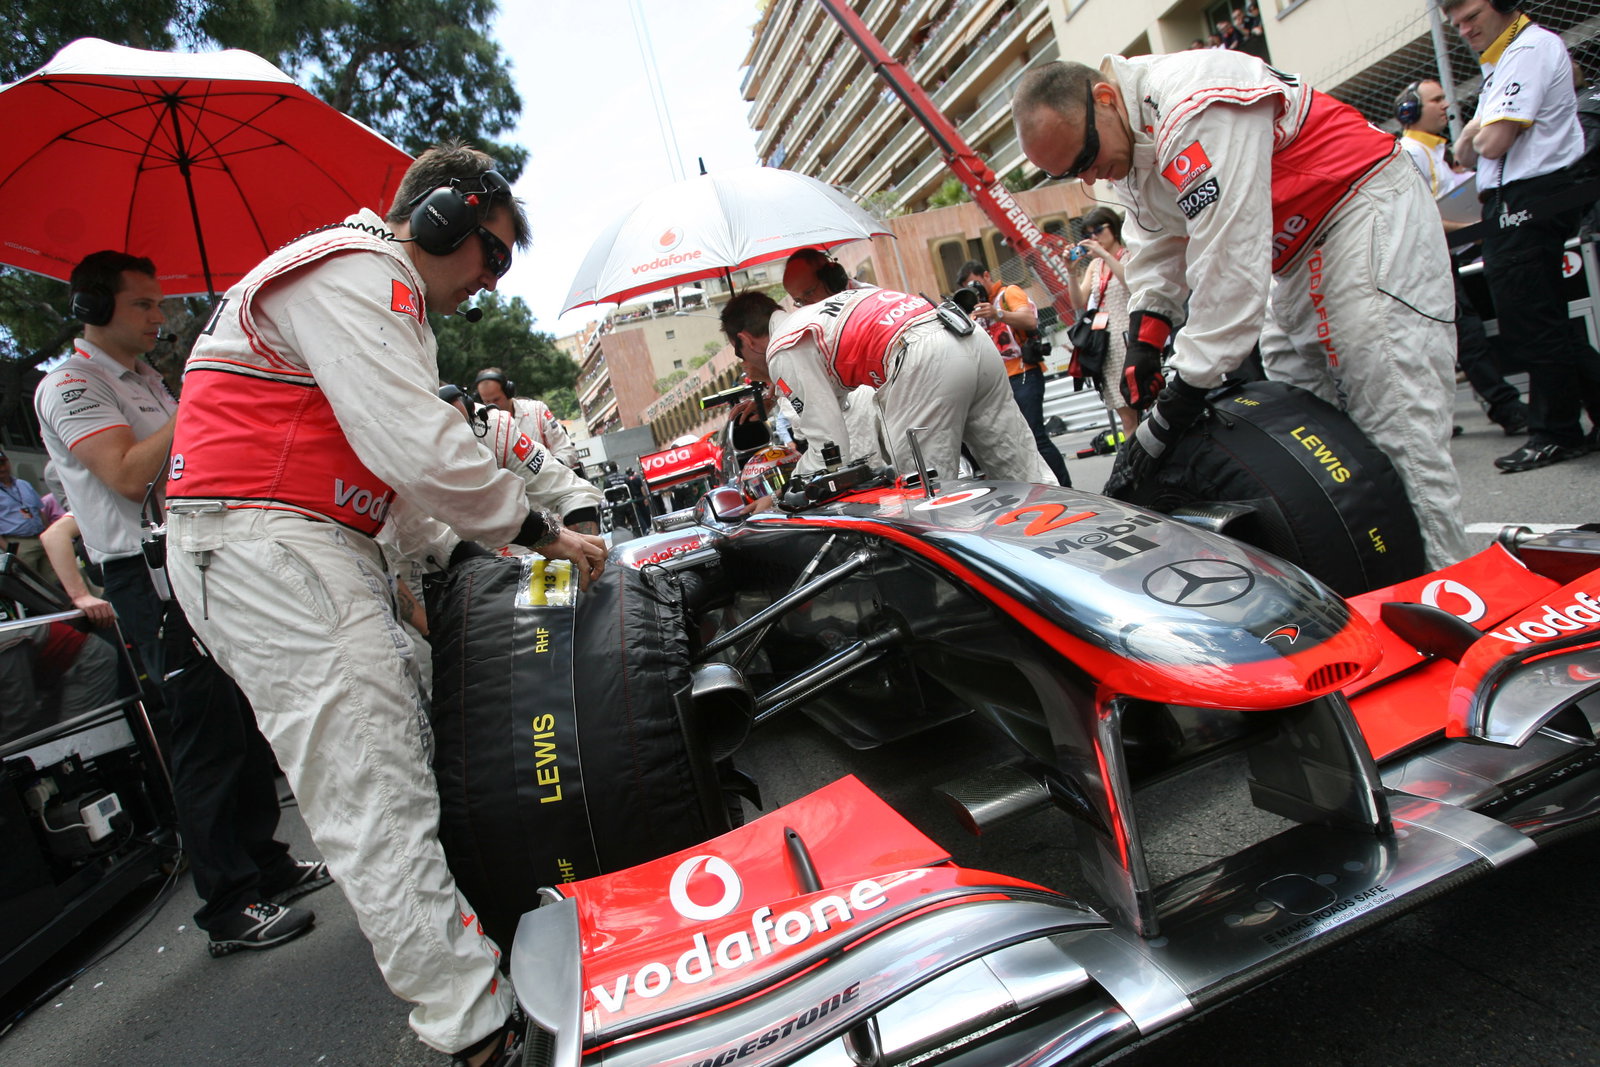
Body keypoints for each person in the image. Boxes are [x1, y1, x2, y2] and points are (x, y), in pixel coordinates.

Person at [160, 144, 605, 1067]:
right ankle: (478, 1030)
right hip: (274, 546)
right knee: (375, 791)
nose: (489, 281)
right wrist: (540, 534)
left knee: (392, 752)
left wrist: (452, 559)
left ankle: (467, 978)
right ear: (444, 216)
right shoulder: (358, 271)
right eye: (493, 254)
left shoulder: (362, 287)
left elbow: (398, 489)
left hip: (298, 544)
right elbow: (419, 445)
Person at [1013, 55, 1472, 569]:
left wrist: (1182, 394)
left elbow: (1226, 258)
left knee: (1397, 432)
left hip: (1359, 209)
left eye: (1086, 158)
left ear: (1104, 98)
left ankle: (1450, 602)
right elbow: (1157, 245)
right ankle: (1372, 593)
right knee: (1315, 451)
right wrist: (1146, 339)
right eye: (1072, 173)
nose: (1090, 178)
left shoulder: (1192, 105)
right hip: (1294, 252)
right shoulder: (1128, 140)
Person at [35, 250, 327, 958]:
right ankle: (228, 902)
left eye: (161, 304)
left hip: (203, 553)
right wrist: (199, 390)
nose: (159, 318)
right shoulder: (72, 385)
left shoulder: (145, 378)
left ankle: (264, 861)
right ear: (94, 309)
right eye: (143, 305)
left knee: (239, 712)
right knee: (201, 730)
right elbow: (129, 473)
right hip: (145, 571)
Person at [1449, 0, 1600, 470]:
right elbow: (1466, 154)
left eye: (1471, 15)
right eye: (1455, 22)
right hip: (1509, 198)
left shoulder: (1530, 47)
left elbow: (1490, 144)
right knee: (1537, 317)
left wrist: (1480, 129)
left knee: (1531, 318)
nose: (1463, 28)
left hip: (1529, 194)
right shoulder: (1501, 61)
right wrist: (1480, 128)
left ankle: (1555, 431)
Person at [719, 289, 1053, 485]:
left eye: (739, 357)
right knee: (1026, 476)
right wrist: (775, 395)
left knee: (931, 496)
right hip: (964, 333)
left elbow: (830, 449)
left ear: (744, 340)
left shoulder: (783, 347)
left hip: (922, 358)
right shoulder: (814, 316)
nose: (746, 368)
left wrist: (786, 489)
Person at [1396, 77, 1530, 436]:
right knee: (1465, 333)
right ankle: (1506, 407)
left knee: (1444, 340)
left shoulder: (1436, 152)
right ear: (1410, 110)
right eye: (1435, 100)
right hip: (1425, 260)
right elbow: (1421, 219)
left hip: (1443, 256)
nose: (1445, 106)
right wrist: (1479, 226)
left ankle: (1433, 420)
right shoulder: (1410, 152)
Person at [955, 259, 1071, 484]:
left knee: (1035, 436)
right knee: (1012, 441)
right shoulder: (975, 309)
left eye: (975, 283)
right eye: (968, 288)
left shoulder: (1008, 294)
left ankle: (1066, 488)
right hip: (997, 382)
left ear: (986, 276)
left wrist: (998, 314)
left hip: (1023, 371)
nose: (974, 290)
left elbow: (1030, 319)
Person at [438, 384, 602, 537]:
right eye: (487, 400)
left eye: (496, 399)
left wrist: (586, 545)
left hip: (540, 516)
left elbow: (566, 488)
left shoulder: (494, 427)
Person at [1066, 209, 1137, 438]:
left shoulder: (1129, 255)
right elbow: (1079, 301)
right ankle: (1136, 466)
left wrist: (1106, 256)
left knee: (1143, 404)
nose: (1094, 237)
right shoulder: (1094, 266)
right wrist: (1071, 271)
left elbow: (1132, 283)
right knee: (1125, 415)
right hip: (1106, 344)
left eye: (1098, 230)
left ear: (1113, 228)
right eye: (1089, 234)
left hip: (1131, 336)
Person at [472, 367, 581, 470]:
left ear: (509, 391)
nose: (493, 406)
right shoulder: (481, 428)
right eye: (486, 402)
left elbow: (565, 449)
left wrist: (555, 469)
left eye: (496, 399)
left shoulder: (537, 410)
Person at [0, 450, 50, 578]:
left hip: (41, 538)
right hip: (19, 543)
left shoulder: (23, 484)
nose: (2, 468)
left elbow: (39, 512)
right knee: (30, 583)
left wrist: (48, 534)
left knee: (56, 581)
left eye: (3, 463)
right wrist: (10, 551)